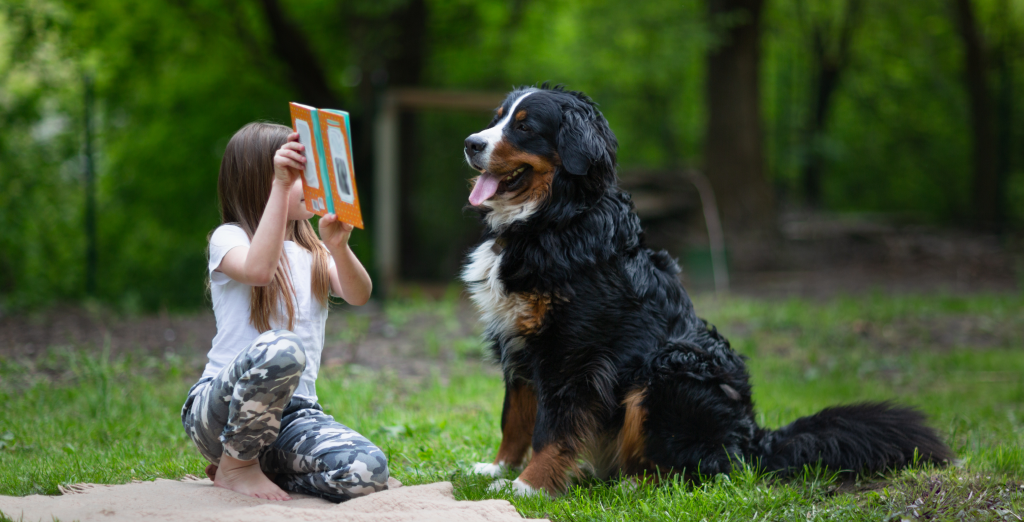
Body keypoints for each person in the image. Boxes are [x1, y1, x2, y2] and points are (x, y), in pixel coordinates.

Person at [180, 122, 386, 502]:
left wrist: (338, 247)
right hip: (220, 412)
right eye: (297, 176)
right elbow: (259, 271)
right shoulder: (230, 238)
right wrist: (280, 184)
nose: (311, 185)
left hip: (294, 416)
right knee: (283, 348)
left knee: (368, 470)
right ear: (262, 182)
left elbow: (360, 295)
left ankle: (270, 469)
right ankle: (236, 465)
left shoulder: (315, 251)